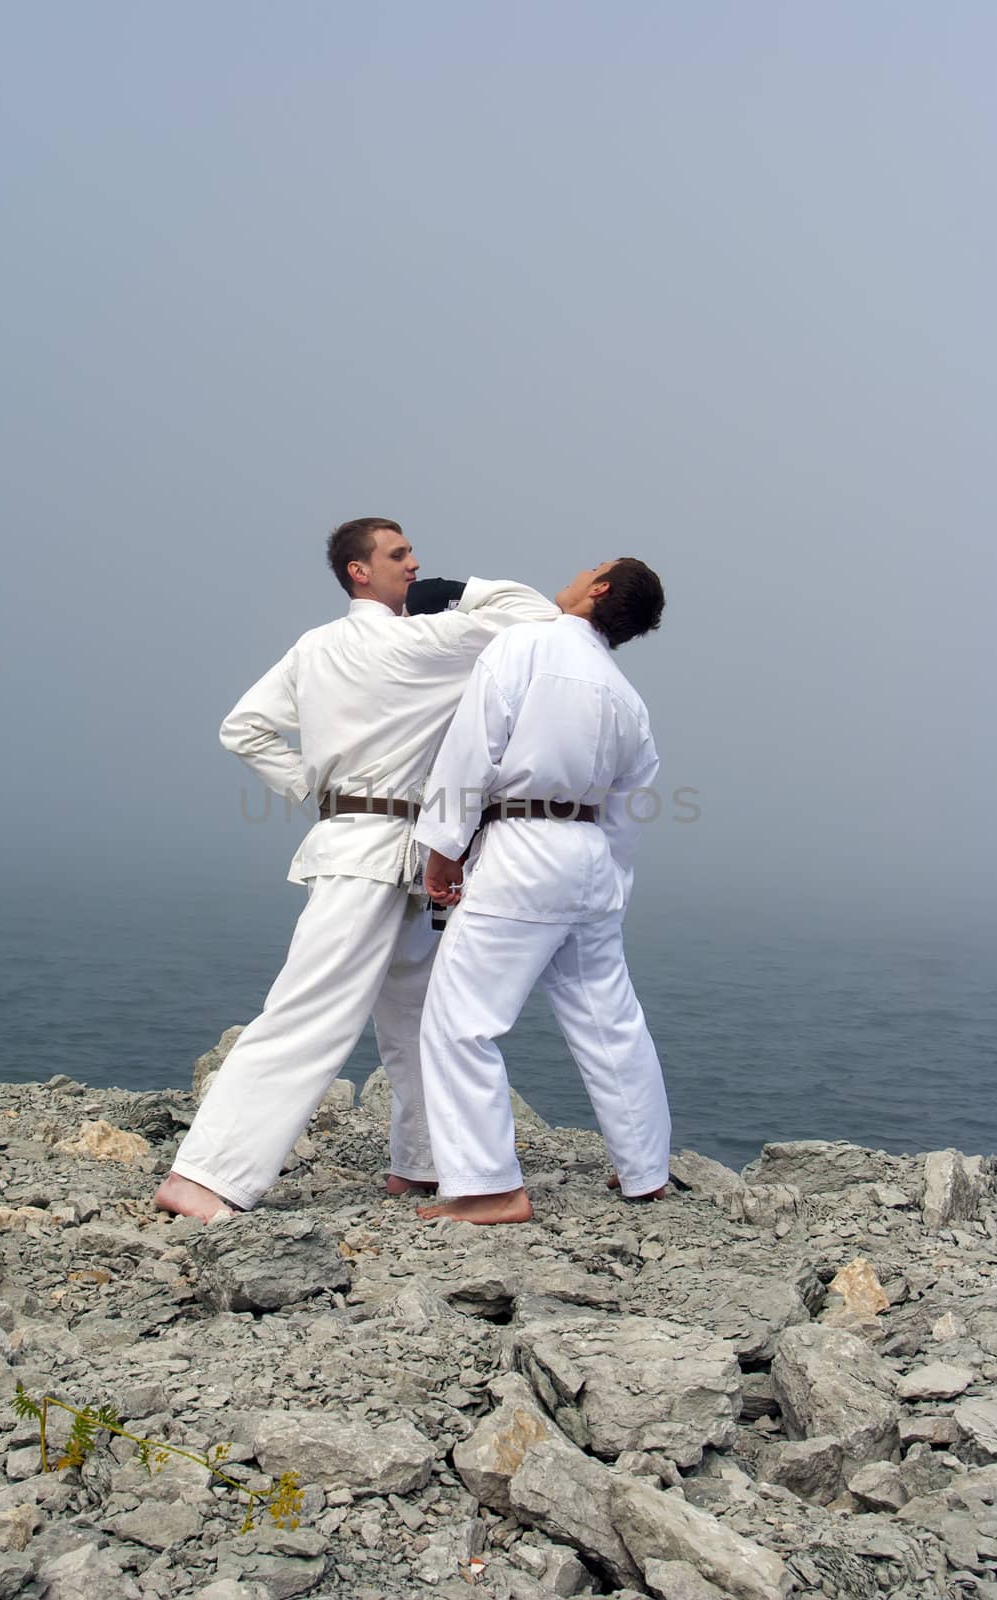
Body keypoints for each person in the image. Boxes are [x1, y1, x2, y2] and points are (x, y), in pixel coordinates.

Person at [154, 518, 558, 1221]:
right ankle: (203, 1176)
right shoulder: (424, 639)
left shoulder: (315, 646)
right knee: (310, 1009)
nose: (415, 562)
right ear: (358, 572)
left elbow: (242, 727)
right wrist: (460, 591)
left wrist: (314, 787)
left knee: (421, 1011)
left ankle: (425, 1161)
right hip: (379, 850)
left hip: (366, 843)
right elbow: (537, 616)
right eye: (398, 554)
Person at [412, 557, 671, 1224]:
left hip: (523, 849)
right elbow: (627, 810)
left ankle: (489, 1187)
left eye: (589, 568)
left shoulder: (526, 643)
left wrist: (442, 852)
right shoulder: (626, 697)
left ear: (599, 590)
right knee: (609, 1019)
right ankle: (645, 1171)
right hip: (588, 858)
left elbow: (472, 749)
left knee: (458, 1019)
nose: (575, 573)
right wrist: (608, 882)